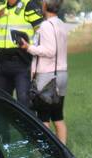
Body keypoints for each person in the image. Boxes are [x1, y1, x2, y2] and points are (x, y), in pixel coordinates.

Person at [20, 0, 69, 143]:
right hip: (61, 74)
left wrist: (28, 47)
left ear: (45, 6)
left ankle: (44, 153)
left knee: (43, 118)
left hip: (48, 76)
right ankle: (63, 150)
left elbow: (49, 50)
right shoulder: (61, 24)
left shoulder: (46, 26)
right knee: (58, 116)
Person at [0, 0, 44, 107]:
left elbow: (43, 33)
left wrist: (35, 52)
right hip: (1, 65)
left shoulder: (28, 5)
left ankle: (26, 124)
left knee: (25, 103)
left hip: (22, 64)